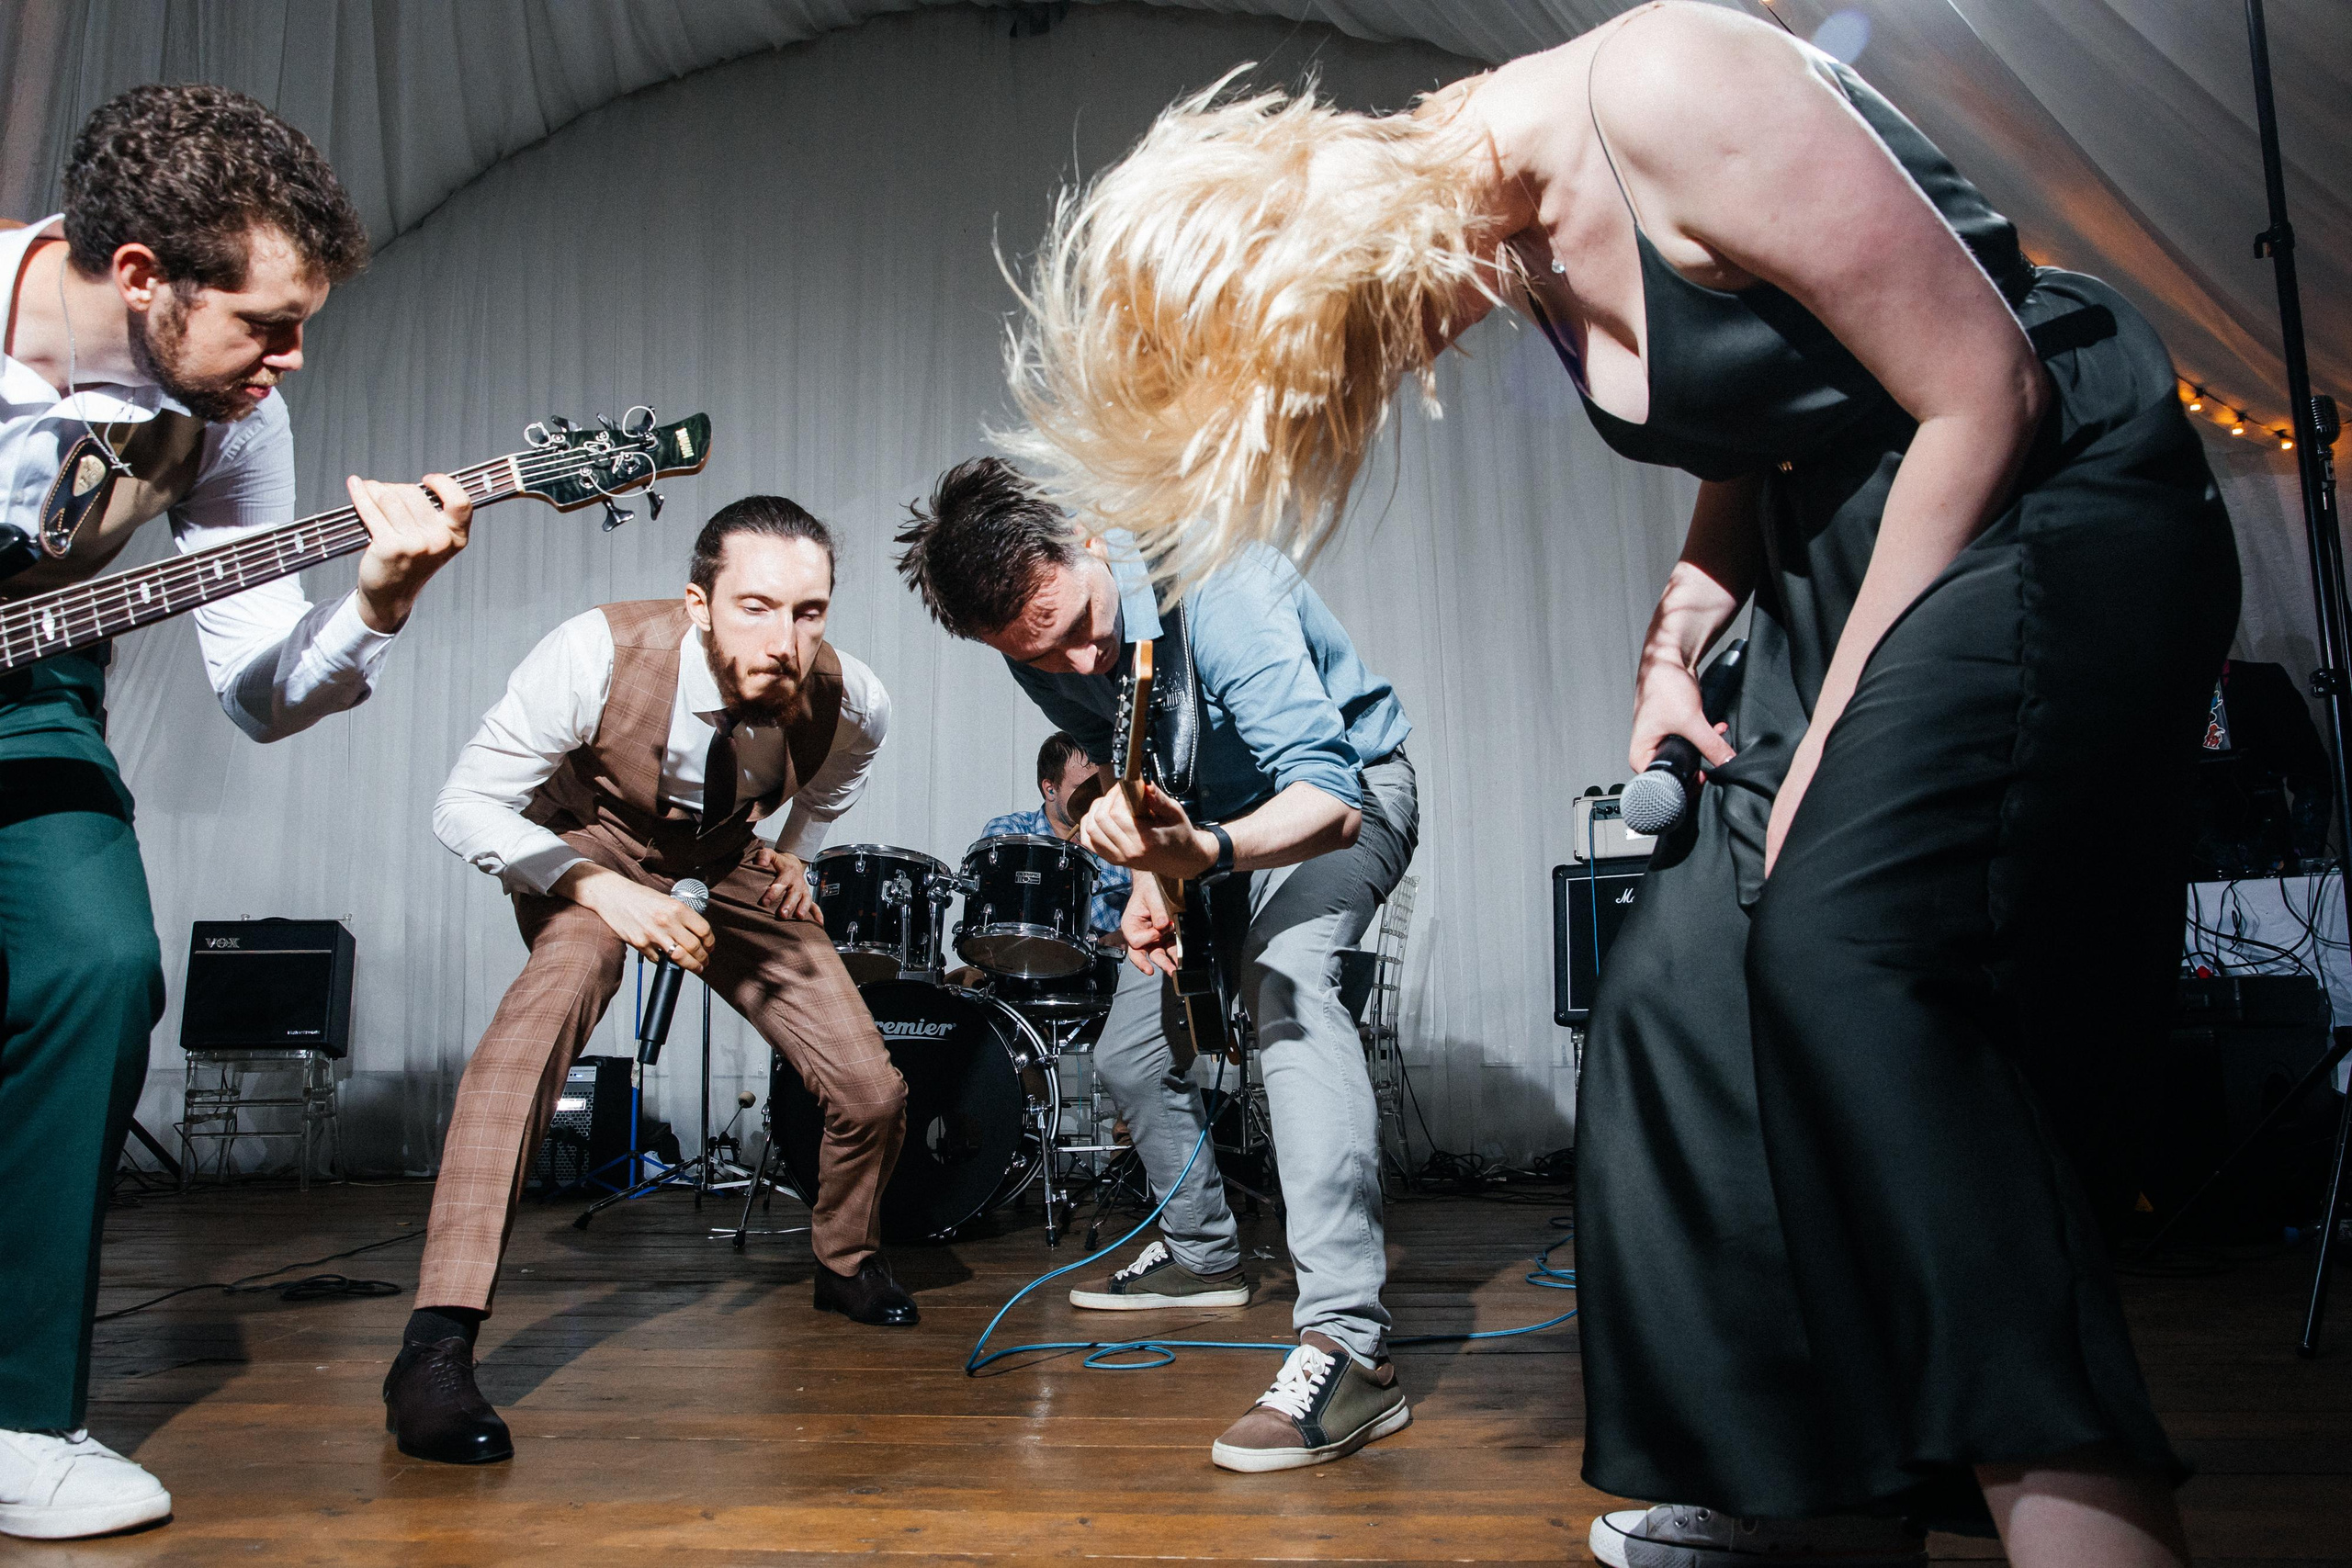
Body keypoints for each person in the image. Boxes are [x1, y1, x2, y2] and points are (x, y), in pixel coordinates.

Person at [993, 6, 2237, 1565]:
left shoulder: (1662, 86)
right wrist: (1683, 627)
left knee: (1846, 962)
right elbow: (1772, 398)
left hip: (2038, 507)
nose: (1402, 368)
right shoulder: (1507, 233)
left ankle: (2086, 1512)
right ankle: (1805, 1497)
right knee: (1670, 999)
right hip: (1838, 551)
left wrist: (1833, 722)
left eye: (1359, 354)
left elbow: (1983, 385)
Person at [0, 85, 473, 1541]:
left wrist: (376, 603)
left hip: (31, 693)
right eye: (269, 324)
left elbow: (260, 692)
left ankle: (18, 1419)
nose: (291, 359)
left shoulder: (225, 425)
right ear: (144, 275)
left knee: (96, 964)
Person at [899, 456, 1418, 1474]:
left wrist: (1200, 856)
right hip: (1205, 832)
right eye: (1041, 653)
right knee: (1131, 1054)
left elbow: (1329, 798)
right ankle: (1204, 1253)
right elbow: (1138, 761)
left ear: (1086, 537)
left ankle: (1349, 1346)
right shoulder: (1037, 645)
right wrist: (1148, 874)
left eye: (1079, 624)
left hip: (1343, 798)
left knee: (1283, 979)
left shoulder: (1223, 586)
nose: (1078, 660)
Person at [393, 496, 910, 1467]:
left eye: (808, 612)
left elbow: (842, 773)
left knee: (871, 1090)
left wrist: (798, 851)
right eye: (756, 607)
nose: (786, 640)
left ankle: (845, 1261)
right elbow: (463, 805)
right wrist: (597, 888)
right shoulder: (594, 653)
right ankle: (436, 1344)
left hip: (722, 855)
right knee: (553, 1001)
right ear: (697, 604)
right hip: (588, 845)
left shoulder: (854, 697)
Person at [971, 729, 1132, 946]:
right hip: (1016, 956)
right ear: (1050, 790)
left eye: (1098, 788)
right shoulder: (1011, 831)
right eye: (1081, 789)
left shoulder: (1120, 842)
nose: (1094, 799)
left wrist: (1123, 936)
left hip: (1099, 963)